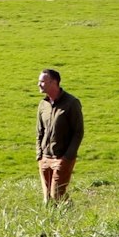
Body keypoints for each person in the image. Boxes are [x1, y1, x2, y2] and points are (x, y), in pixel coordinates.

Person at [35, 68, 84, 203]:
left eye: (42, 81)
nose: (39, 84)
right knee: (47, 199)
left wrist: (67, 157)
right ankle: (53, 220)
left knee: (57, 195)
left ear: (54, 82)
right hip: (45, 158)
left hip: (62, 158)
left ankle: (70, 216)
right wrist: (39, 155)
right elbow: (39, 131)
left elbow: (78, 132)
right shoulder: (43, 105)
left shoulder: (71, 103)